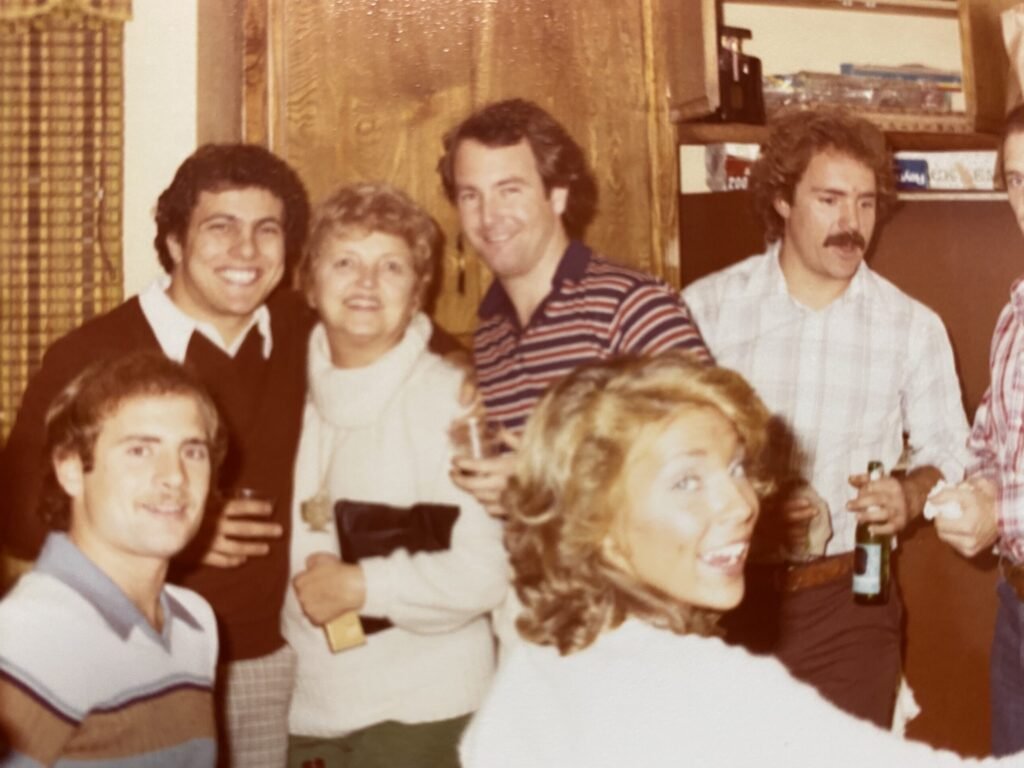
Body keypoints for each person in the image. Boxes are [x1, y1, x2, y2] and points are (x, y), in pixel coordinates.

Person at [459, 353, 1004, 768]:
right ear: (592, 516)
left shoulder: (539, 663)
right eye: (687, 481)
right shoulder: (711, 689)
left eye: (737, 468)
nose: (742, 504)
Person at [0, 143, 313, 766]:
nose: (246, 251)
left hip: (271, 658)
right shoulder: (90, 355)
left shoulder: (306, 330)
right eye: (220, 227)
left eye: (266, 229)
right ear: (174, 242)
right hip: (122, 651)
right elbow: (15, 516)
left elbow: (407, 332)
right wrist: (184, 529)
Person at [681, 108, 970, 727]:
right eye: (829, 200)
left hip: (849, 604)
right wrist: (752, 501)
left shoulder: (911, 327)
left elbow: (950, 447)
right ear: (782, 199)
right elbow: (656, 458)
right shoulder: (706, 311)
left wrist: (909, 495)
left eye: (865, 203)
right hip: (721, 600)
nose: (851, 224)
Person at [282, 182, 507, 768]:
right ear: (309, 283)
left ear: (416, 296)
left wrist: (362, 586)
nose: (366, 282)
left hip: (426, 719)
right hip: (306, 716)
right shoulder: (280, 392)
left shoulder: (455, 404)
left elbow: (486, 571)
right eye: (345, 262)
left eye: (391, 267)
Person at [436, 97, 711, 518]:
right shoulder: (490, 332)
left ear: (558, 196)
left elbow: (708, 453)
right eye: (471, 195)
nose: (489, 216)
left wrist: (546, 485)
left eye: (510, 190)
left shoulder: (631, 306)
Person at [0, 351, 224, 766]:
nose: (175, 476)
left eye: (193, 451)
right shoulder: (30, 635)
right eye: (140, 450)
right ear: (70, 469)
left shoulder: (195, 623)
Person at [932, 103, 1024, 756]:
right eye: (1018, 180)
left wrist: (1002, 512)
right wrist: (978, 492)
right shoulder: (1017, 312)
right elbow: (990, 439)